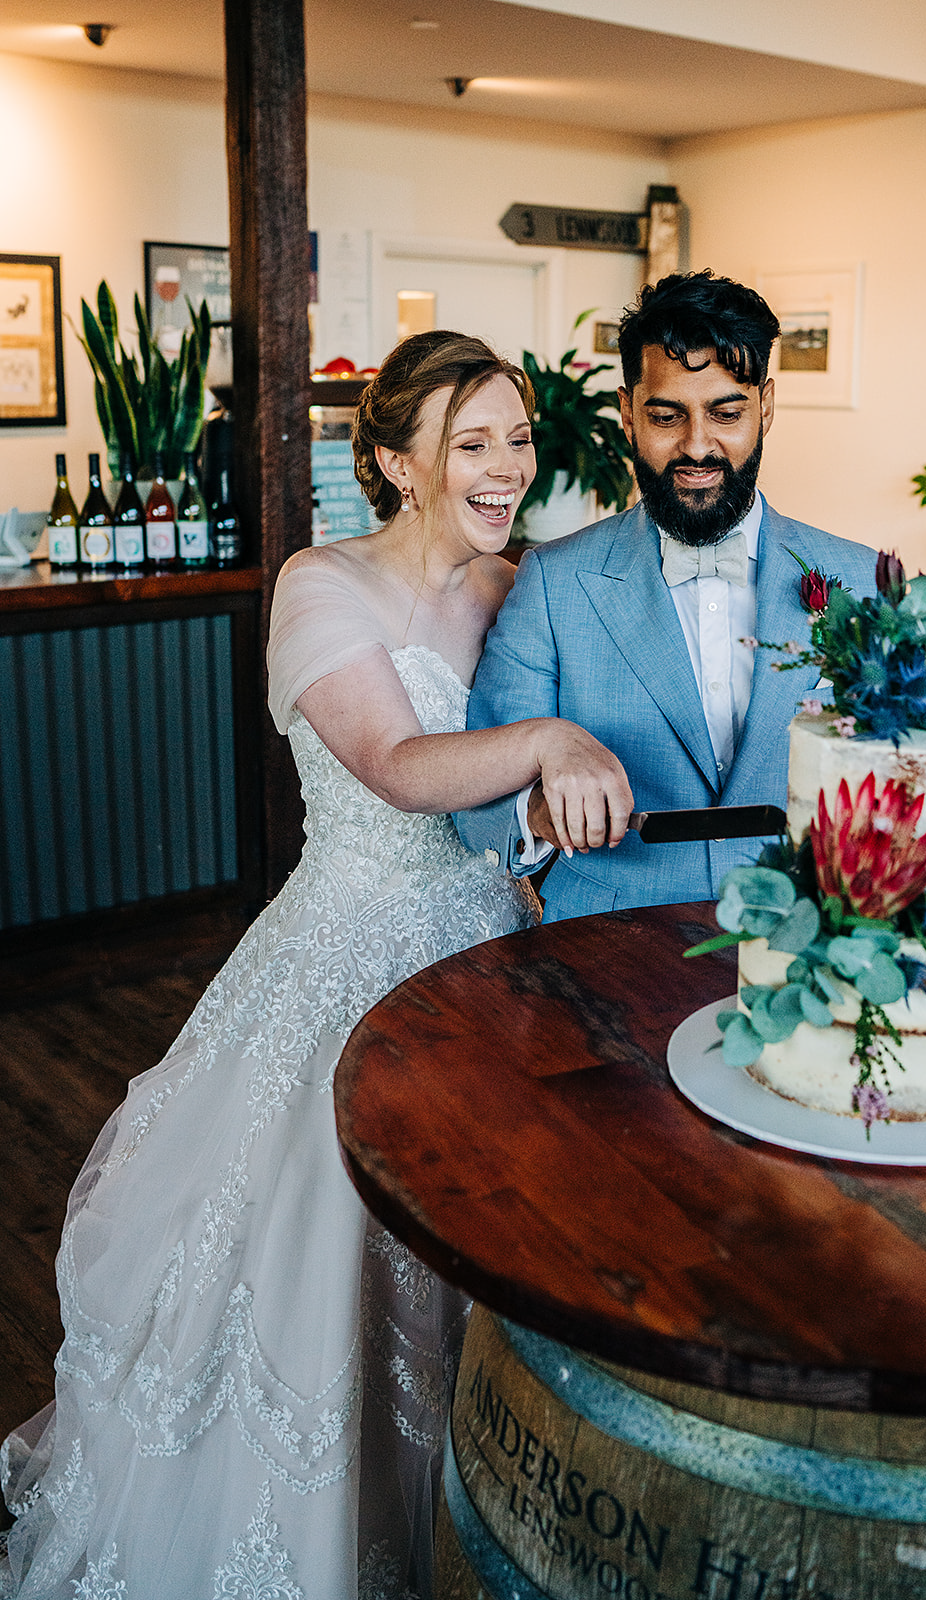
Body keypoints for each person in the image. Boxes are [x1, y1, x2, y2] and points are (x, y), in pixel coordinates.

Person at [0, 331, 632, 1599]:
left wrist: (552, 813)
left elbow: (524, 795)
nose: (507, 467)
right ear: (398, 463)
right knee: (322, 1270)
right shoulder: (318, 583)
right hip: (352, 960)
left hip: (493, 962)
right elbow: (397, 766)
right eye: (471, 443)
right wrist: (549, 739)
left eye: (517, 438)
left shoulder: (518, 588)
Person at [456, 270, 878, 920]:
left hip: (816, 936)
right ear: (627, 413)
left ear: (765, 407)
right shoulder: (552, 582)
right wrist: (541, 810)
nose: (697, 446)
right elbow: (477, 802)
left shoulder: (863, 579)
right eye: (665, 416)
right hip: (605, 941)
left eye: (726, 413)